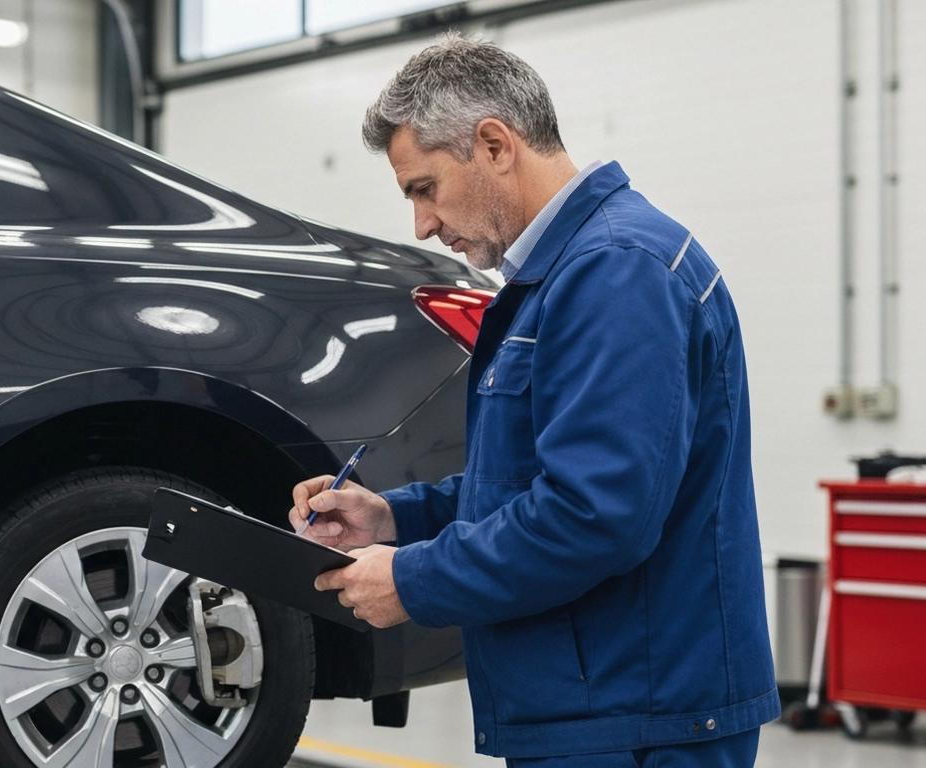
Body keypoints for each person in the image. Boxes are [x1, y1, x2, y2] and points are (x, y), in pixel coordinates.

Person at [289, 34, 778, 767]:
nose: (421, 224)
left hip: (637, 718)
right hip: (602, 704)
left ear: (493, 144)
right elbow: (527, 485)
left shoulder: (617, 272)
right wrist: (393, 517)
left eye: (424, 188)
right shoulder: (567, 276)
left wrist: (413, 579)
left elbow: (593, 516)